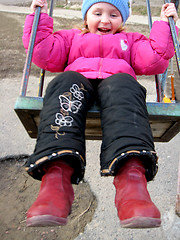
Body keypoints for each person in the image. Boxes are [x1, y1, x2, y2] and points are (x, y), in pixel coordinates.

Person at [22, 0, 178, 228]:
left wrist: (164, 24)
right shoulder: (71, 37)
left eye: (114, 14)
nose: (105, 20)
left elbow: (154, 59)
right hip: (77, 85)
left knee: (125, 85)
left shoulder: (131, 40)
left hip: (117, 89)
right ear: (86, 16)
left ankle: (132, 182)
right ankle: (56, 181)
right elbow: (43, 53)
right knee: (64, 81)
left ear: (123, 19)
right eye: (97, 12)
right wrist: (40, 17)